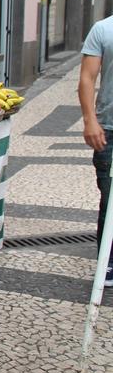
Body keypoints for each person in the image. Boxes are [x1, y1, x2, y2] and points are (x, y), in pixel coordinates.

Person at [78, 16, 113, 287]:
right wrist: (90, 120)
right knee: (110, 198)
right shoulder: (103, 29)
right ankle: (108, 262)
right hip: (109, 127)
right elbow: (87, 78)